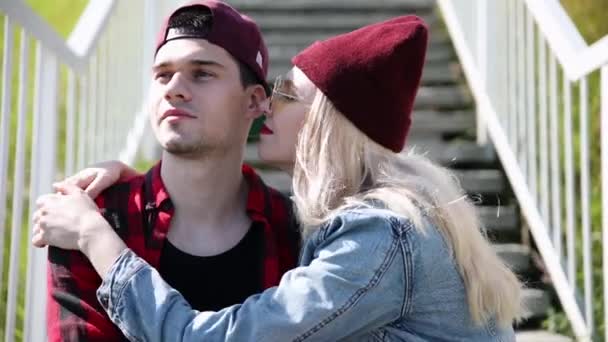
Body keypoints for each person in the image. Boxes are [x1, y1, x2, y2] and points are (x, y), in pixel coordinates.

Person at [34, 15, 523, 341]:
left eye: (288, 92)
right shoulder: (377, 222)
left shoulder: (377, 237)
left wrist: (95, 235)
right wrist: (133, 182)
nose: (270, 103)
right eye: (162, 76)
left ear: (328, 121)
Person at [40, 2, 300, 341]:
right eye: (162, 74)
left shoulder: (294, 229)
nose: (173, 88)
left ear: (253, 102)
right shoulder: (94, 218)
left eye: (202, 73)